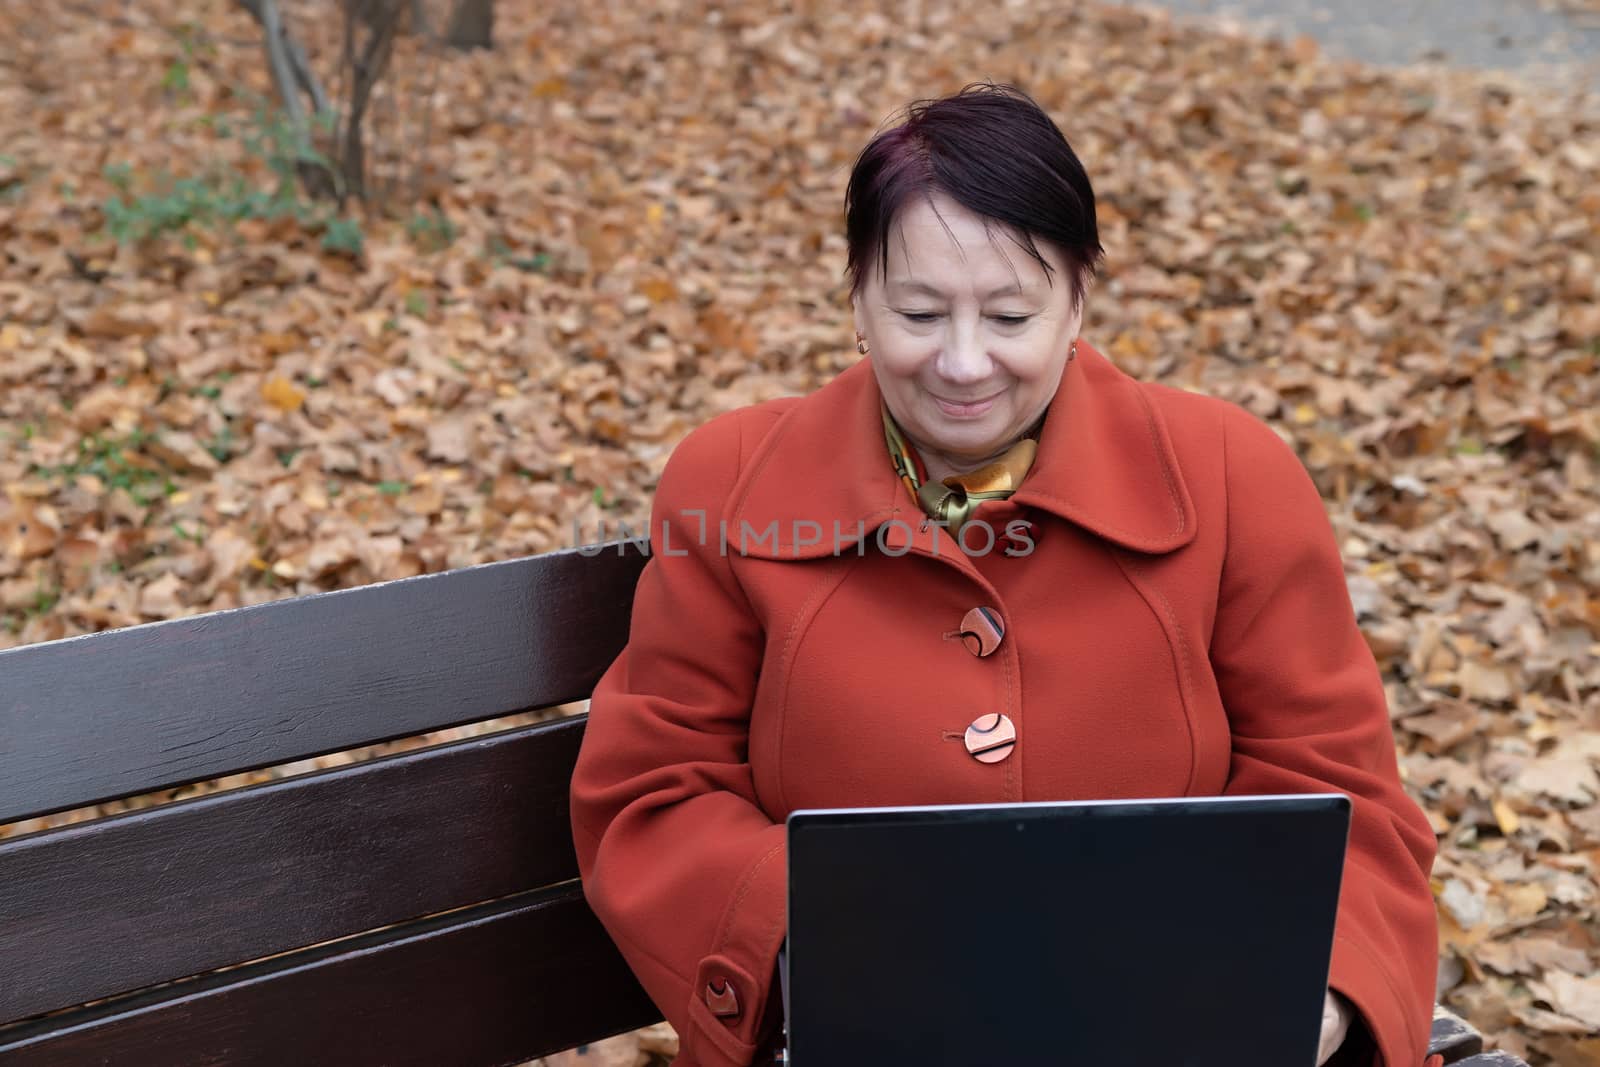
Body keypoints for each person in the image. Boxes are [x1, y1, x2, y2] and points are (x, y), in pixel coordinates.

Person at [569, 83, 1439, 1067]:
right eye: (920, 310)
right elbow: (654, 788)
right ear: (856, 298)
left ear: (1078, 300)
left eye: (1012, 313)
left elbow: (1341, 794)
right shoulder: (730, 482)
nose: (964, 362)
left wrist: (1311, 992)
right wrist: (827, 935)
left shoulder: (1234, 477)